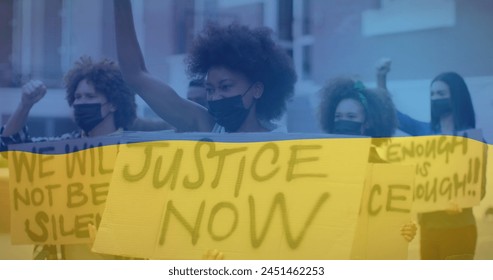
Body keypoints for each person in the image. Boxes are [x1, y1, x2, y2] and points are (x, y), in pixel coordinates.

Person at [1, 56, 137, 259]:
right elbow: (9, 145)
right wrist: (25, 104)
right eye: (77, 97)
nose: (80, 103)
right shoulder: (62, 150)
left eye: (89, 97)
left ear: (113, 104)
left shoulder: (136, 152)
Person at [113, 0, 296, 133]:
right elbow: (135, 74)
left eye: (225, 86)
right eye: (209, 90)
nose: (216, 97)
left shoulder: (282, 143)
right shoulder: (208, 127)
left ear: (257, 89)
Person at [376, 60, 487, 259]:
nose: (435, 99)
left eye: (441, 94)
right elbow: (390, 114)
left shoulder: (473, 139)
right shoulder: (424, 132)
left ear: (456, 98)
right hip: (428, 229)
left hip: (460, 229)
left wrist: (462, 201)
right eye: (432, 94)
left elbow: (479, 189)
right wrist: (381, 78)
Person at [317, 77, 417, 244]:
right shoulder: (323, 167)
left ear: (368, 122)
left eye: (351, 116)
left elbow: (398, 218)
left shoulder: (386, 171)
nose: (343, 121)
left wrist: (407, 228)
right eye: (338, 116)